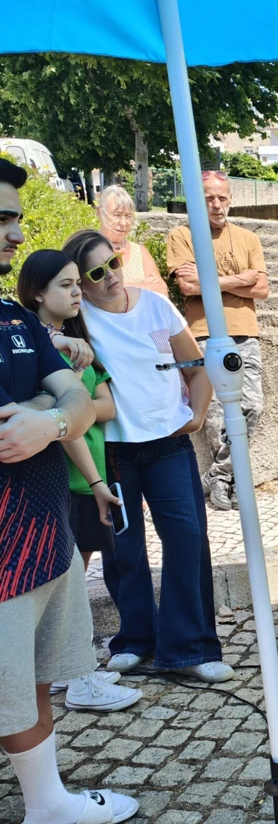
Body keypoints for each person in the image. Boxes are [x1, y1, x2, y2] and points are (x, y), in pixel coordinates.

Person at [0, 158, 139, 824]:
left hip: (39, 539)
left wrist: (49, 420)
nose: (16, 234)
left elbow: (82, 403)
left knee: (33, 680)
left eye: (17, 219)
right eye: (3, 219)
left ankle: (46, 803)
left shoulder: (12, 321)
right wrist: (47, 406)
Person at [63, 229, 232, 684]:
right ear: (80, 284)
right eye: (95, 273)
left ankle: (191, 646)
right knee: (123, 550)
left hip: (168, 443)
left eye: (112, 263)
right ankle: (135, 639)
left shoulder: (156, 305)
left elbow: (196, 367)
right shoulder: (77, 322)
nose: (110, 277)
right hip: (114, 448)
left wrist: (196, 416)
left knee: (188, 540)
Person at [17, 249, 141, 713]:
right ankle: (76, 675)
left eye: (76, 283)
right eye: (66, 285)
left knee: (69, 579)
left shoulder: (75, 343)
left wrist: (76, 405)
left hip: (86, 475)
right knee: (60, 582)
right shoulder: (36, 349)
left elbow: (99, 407)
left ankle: (65, 673)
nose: (77, 292)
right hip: (57, 480)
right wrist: (74, 405)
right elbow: (63, 420)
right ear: (36, 293)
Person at [166, 171, 269, 511]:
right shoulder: (182, 235)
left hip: (245, 332)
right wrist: (240, 280)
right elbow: (188, 287)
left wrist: (211, 278)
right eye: (209, 198)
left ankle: (220, 475)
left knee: (252, 405)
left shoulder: (247, 238)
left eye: (222, 198)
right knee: (214, 414)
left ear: (230, 199)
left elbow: (262, 289)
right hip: (204, 333)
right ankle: (234, 480)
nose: (216, 204)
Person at [95, 185, 168, 293]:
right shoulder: (88, 249)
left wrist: (121, 286)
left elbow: (162, 290)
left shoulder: (139, 251)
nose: (123, 223)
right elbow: (95, 288)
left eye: (128, 216)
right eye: (117, 215)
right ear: (99, 212)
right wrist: (145, 286)